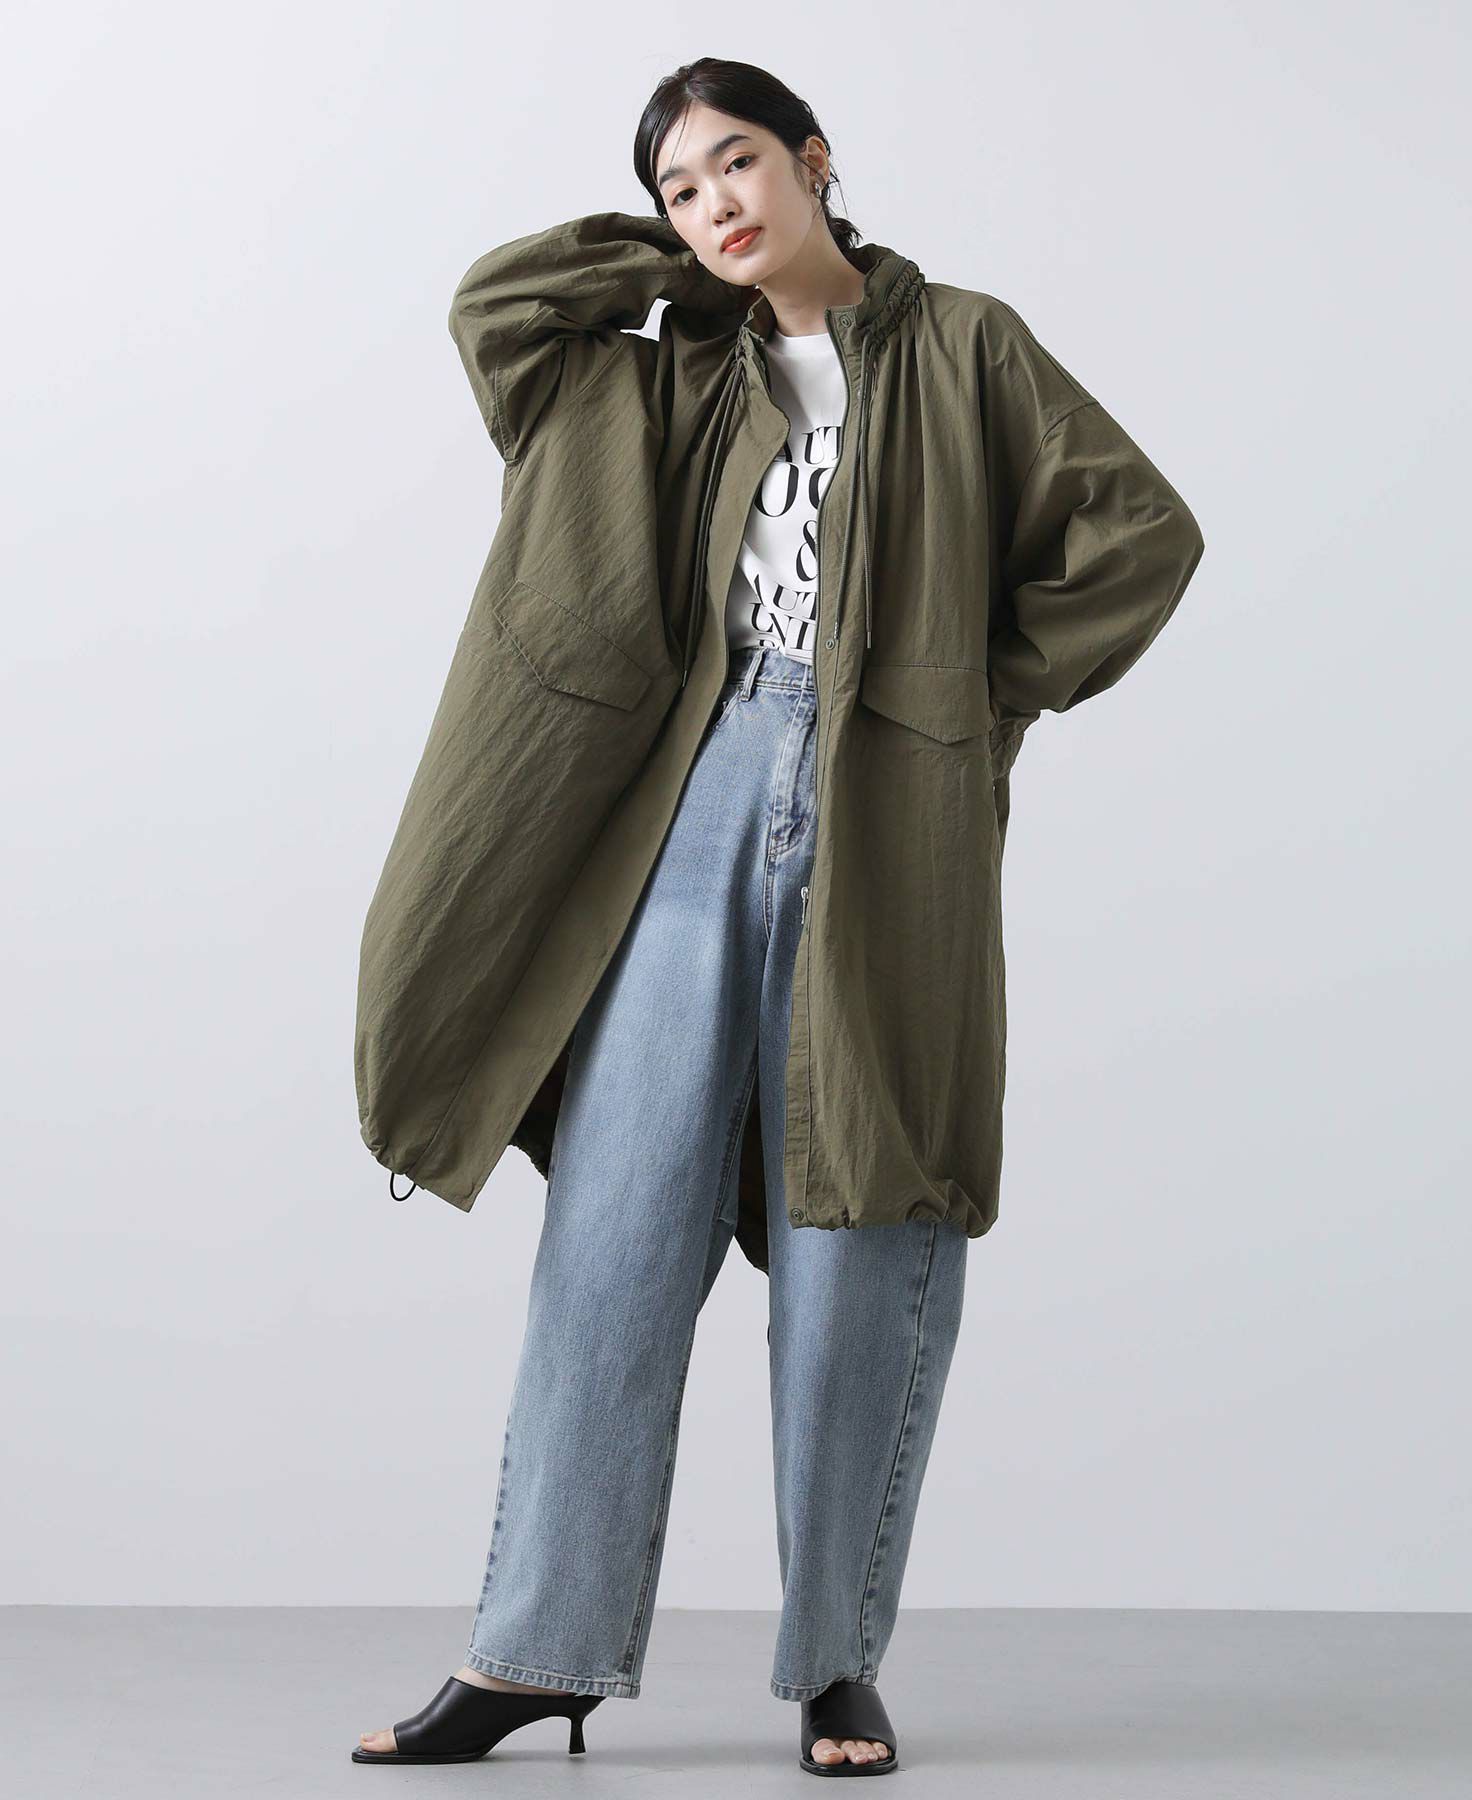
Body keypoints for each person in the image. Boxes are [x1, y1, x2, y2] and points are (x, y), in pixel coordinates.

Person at [352, 55, 1204, 1777]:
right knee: (615, 1233)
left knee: (861, 1230)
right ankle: (537, 1653)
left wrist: (971, 692)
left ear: (817, 158)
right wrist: (674, 265)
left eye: (738, 163)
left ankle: (836, 1664)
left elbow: (1142, 535)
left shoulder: (965, 346)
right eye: (681, 187)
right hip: (697, 793)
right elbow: (495, 314)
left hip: (889, 812)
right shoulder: (669, 373)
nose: (716, 202)